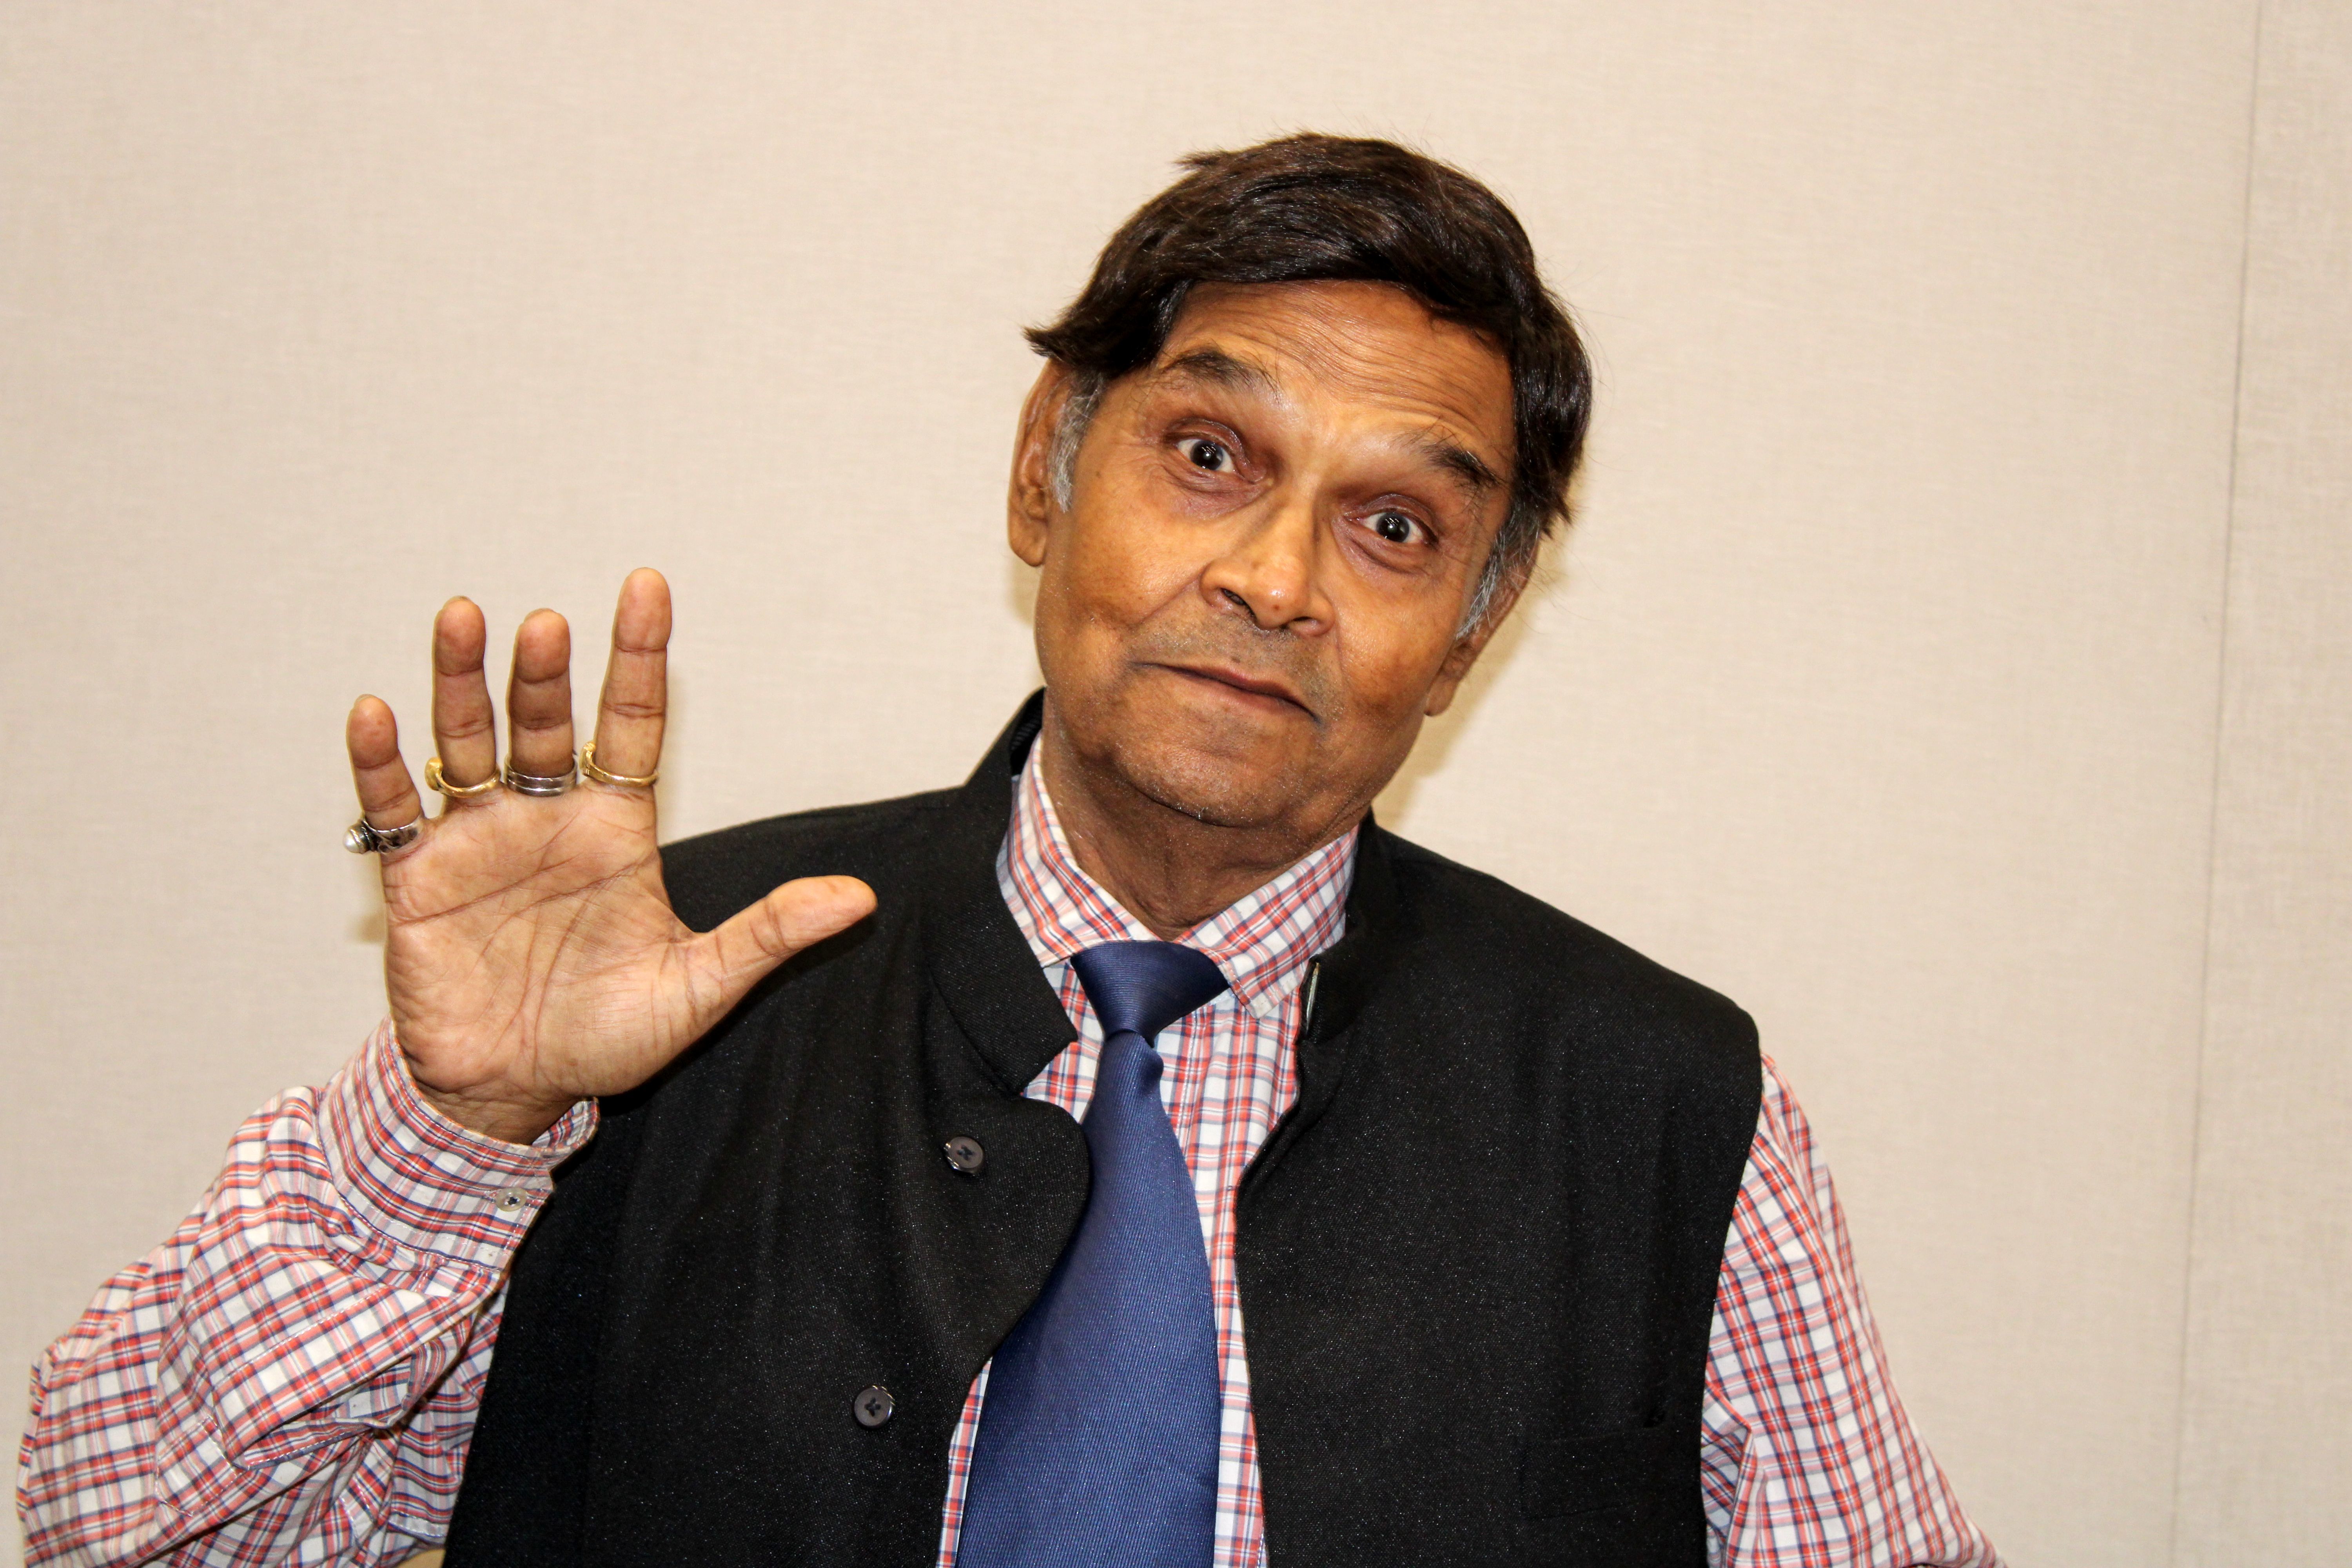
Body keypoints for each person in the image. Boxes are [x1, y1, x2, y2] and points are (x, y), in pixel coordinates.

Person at [19, 134, 2000, 1568]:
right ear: (1046, 466)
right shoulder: (661, 993)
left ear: (1471, 627)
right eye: (1209, 457)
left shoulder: (1668, 1107)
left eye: (1394, 527)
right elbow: (124, 1523)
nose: (1275, 580)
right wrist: (457, 1133)